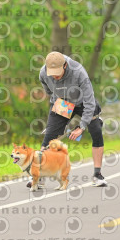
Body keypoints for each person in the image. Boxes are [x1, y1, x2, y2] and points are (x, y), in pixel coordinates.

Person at [35, 51, 107, 188]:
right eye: (52, 73)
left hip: (83, 102)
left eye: (57, 73)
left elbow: (89, 102)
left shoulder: (79, 72)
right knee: (50, 135)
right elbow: (49, 91)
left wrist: (82, 126)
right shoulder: (43, 73)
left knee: (96, 130)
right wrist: (58, 104)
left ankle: (97, 175)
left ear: (65, 66)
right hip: (64, 102)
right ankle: (39, 175)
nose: (55, 76)